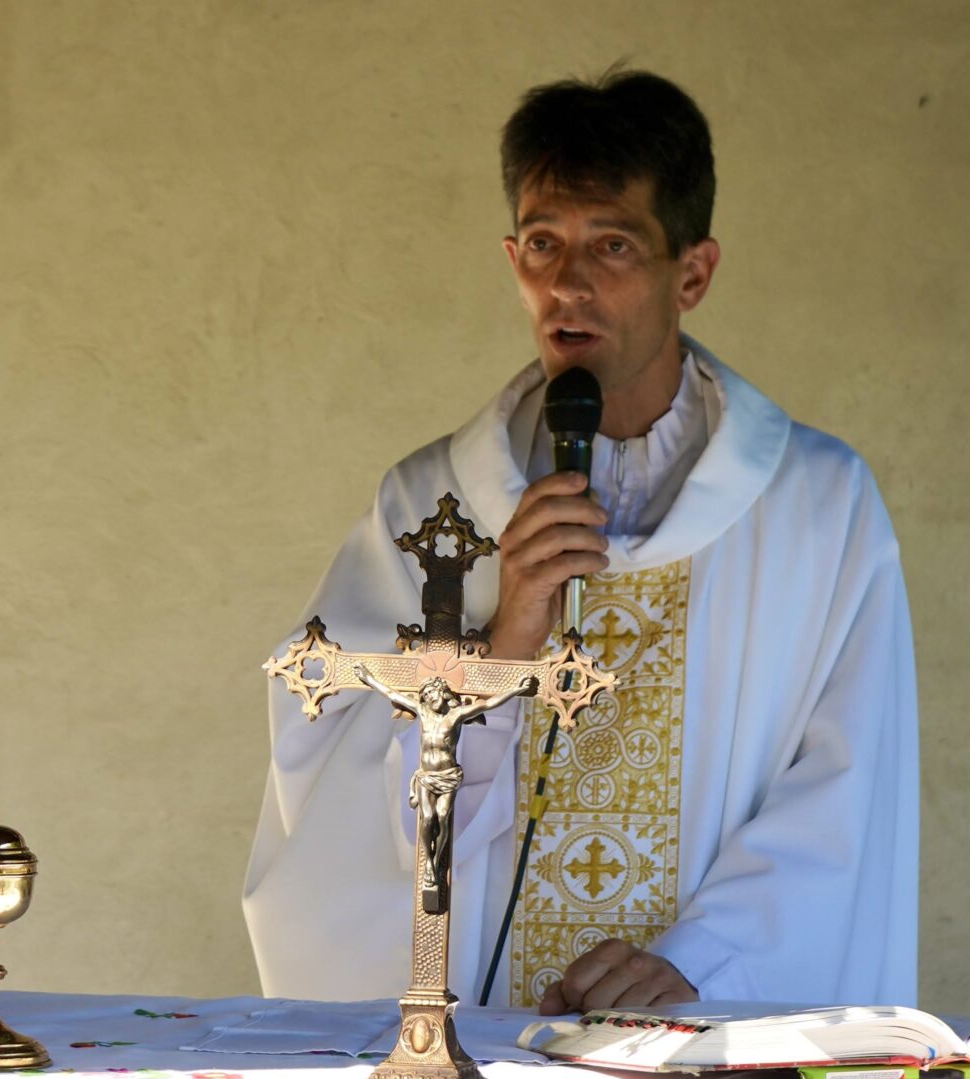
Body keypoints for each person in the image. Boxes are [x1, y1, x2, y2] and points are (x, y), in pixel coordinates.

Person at [244, 68, 918, 1014]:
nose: (568, 283)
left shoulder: (817, 508)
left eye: (612, 245)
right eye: (543, 244)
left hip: (705, 1028)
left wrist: (703, 965)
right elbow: (335, 781)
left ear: (693, 272)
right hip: (487, 1041)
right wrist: (506, 641)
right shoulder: (432, 503)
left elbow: (846, 794)